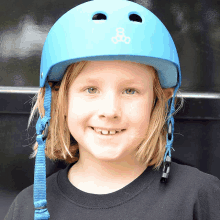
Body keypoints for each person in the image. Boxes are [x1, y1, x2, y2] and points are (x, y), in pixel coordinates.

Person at [5, 0, 220, 219]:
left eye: (130, 91)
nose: (110, 111)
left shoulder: (199, 197)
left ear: (157, 102)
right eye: (91, 89)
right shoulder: (26, 207)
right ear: (61, 101)